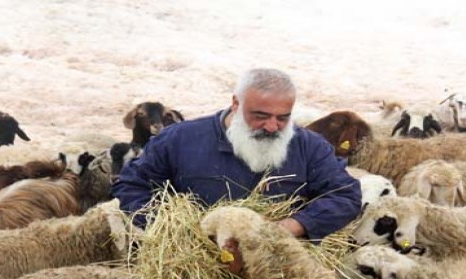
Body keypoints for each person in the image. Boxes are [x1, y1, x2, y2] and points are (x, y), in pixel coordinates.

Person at [112, 68, 361, 242]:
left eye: (283, 117)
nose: (272, 127)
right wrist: (167, 230)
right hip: (195, 269)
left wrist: (292, 227)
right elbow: (133, 184)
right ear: (236, 104)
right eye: (260, 116)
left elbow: (345, 195)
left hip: (277, 267)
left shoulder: (309, 147)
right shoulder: (179, 140)